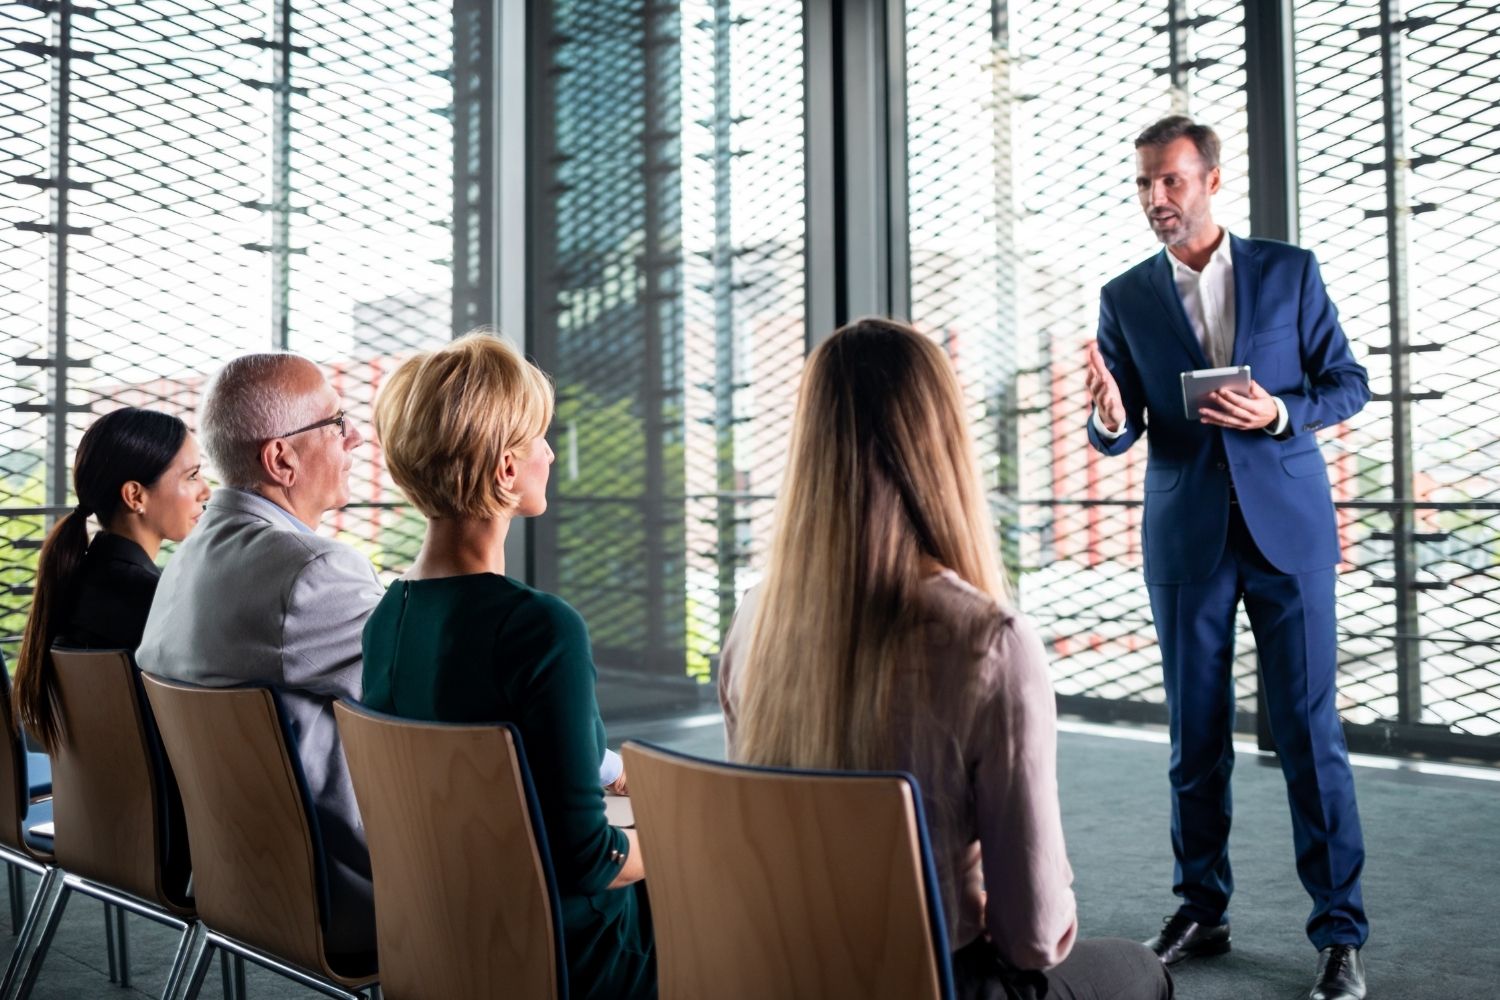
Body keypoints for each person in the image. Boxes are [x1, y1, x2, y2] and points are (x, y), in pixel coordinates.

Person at [721, 318, 1171, 1000]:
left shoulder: (753, 618)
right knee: (1144, 972)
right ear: (940, 445)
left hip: (783, 972)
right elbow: (1034, 938)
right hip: (938, 981)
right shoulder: (989, 641)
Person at [1084, 116, 1370, 1000]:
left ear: (1211, 178)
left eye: (1170, 181)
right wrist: (1104, 416)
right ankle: (1202, 907)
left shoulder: (1291, 271)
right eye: (1142, 186)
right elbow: (1121, 427)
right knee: (1192, 735)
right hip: (1187, 538)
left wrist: (1278, 414)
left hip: (1287, 532)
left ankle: (1339, 934)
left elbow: (1346, 383)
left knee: (1310, 731)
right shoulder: (1125, 296)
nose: (1155, 200)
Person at [363, 332, 654, 1000]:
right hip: (569, 955)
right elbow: (587, 861)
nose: (550, 453)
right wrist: (685, 838)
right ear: (504, 470)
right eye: (539, 439)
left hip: (445, 940)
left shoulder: (387, 620)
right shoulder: (538, 627)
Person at [137, 353, 384, 956]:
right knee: (599, 868)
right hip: (349, 896)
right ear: (281, 459)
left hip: (238, 884)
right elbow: (448, 692)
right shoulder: (313, 572)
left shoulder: (185, 561)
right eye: (336, 422)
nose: (354, 436)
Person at [14, 407, 210, 753]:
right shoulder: (155, 602)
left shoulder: (76, 579)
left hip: (94, 803)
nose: (206, 491)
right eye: (192, 476)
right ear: (135, 496)